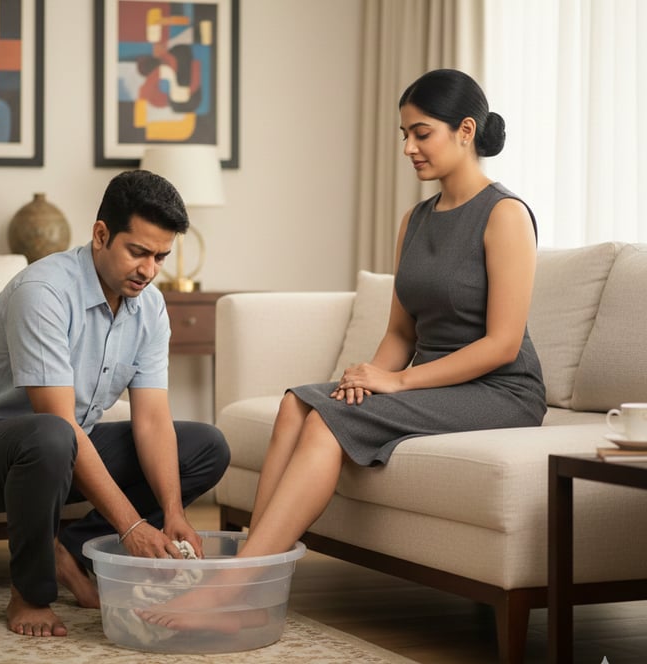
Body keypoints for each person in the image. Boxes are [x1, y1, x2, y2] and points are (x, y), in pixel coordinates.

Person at [136, 69, 547, 633]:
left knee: (328, 426)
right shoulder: (415, 220)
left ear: (465, 130)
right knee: (296, 404)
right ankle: (254, 590)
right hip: (435, 381)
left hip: (500, 391)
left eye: (421, 133)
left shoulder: (505, 215)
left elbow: (502, 345)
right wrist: (370, 375)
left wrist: (396, 383)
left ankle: (227, 592)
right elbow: (403, 332)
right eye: (404, 134)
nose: (408, 148)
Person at [0, 170, 230, 638]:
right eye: (138, 252)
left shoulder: (149, 307)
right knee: (52, 434)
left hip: (63, 447)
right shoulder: (44, 293)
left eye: (161, 256)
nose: (149, 270)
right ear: (100, 235)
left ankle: (72, 550)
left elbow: (152, 421)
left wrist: (172, 511)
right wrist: (132, 526)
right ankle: (30, 593)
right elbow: (57, 421)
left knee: (206, 445)